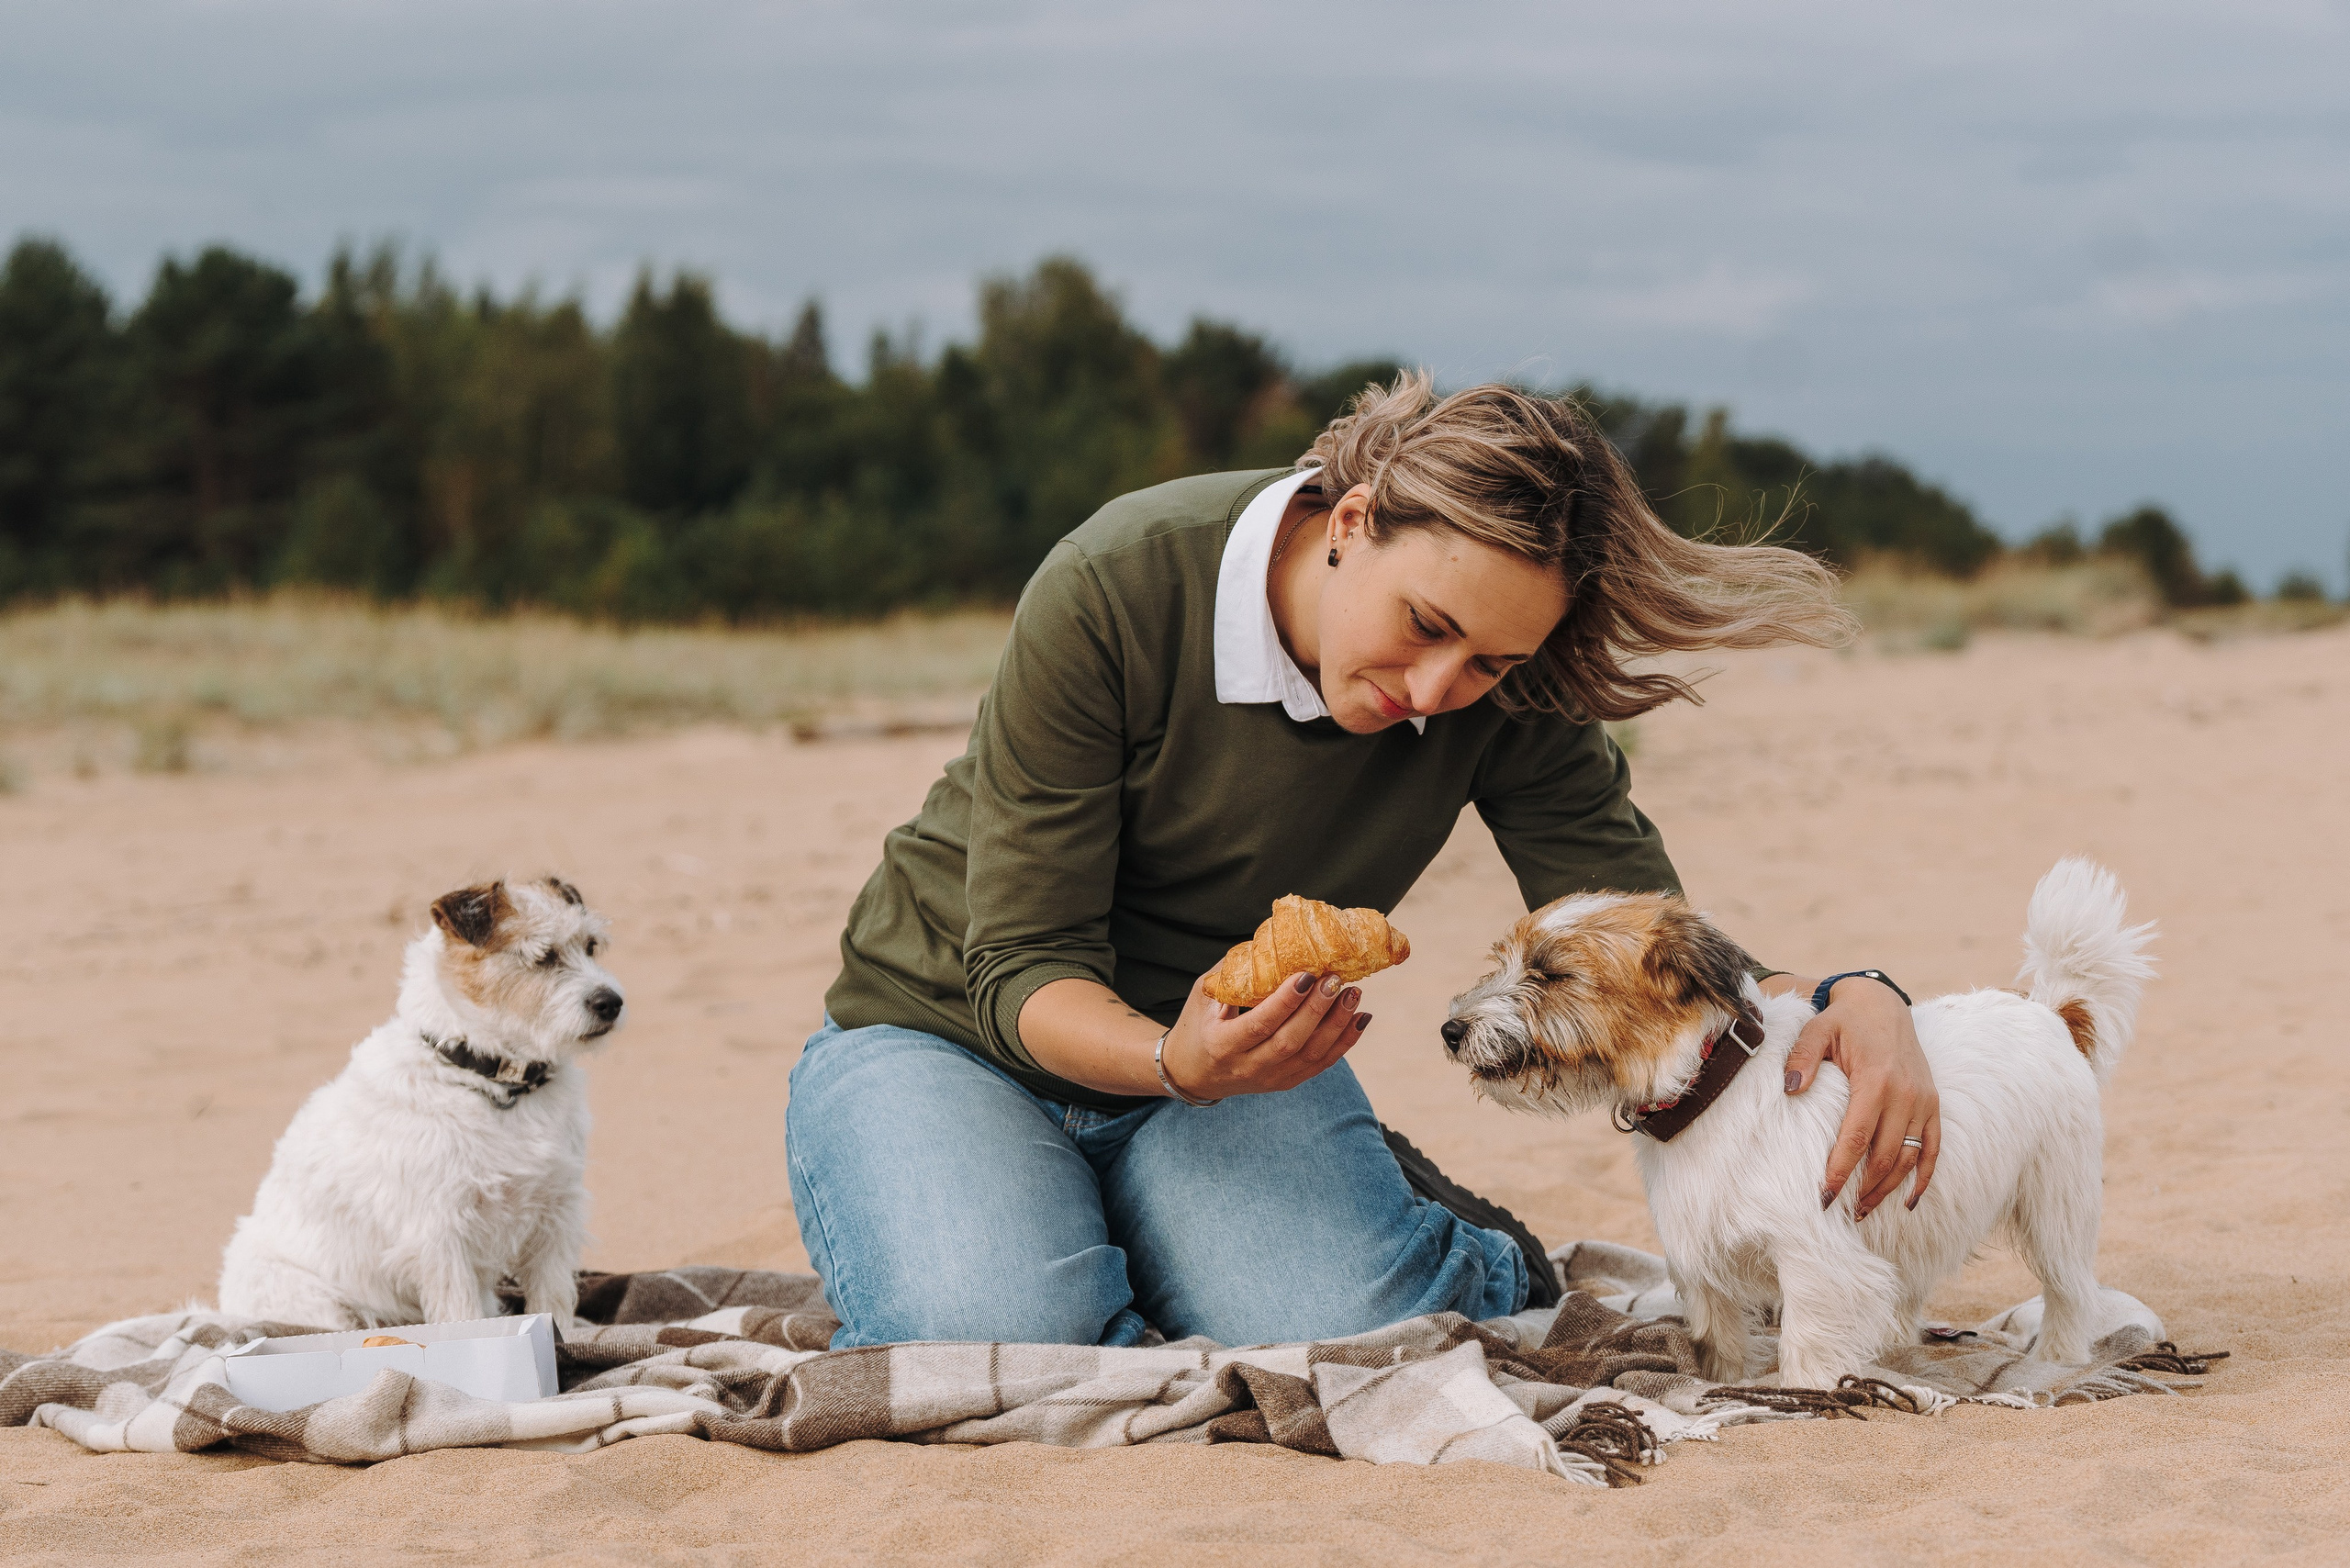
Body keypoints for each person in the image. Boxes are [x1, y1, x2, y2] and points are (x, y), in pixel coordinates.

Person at [786, 375, 1941, 1349]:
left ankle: (1448, 1245)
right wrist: (1172, 1060)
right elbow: (1022, 965)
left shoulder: (1507, 671)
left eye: (1487, 665)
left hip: (1244, 1060)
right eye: (1426, 626)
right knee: (993, 1333)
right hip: (947, 1030)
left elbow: (1642, 931)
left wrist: (1850, 996)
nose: (1438, 693)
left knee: (1351, 1331)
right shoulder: (1117, 584)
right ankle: (1095, 1212)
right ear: (1351, 524)